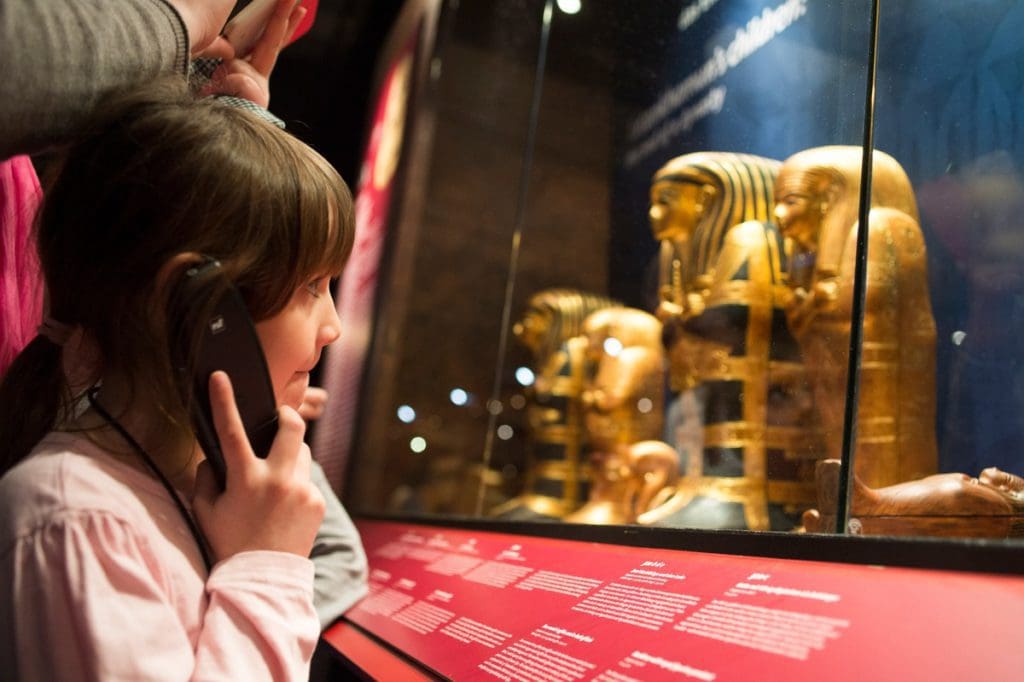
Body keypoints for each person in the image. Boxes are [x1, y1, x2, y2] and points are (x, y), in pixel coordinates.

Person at [0, 77, 357, 679]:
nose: (334, 328)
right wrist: (268, 563)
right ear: (200, 307)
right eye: (311, 287)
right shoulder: (77, 522)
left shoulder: (183, 488)